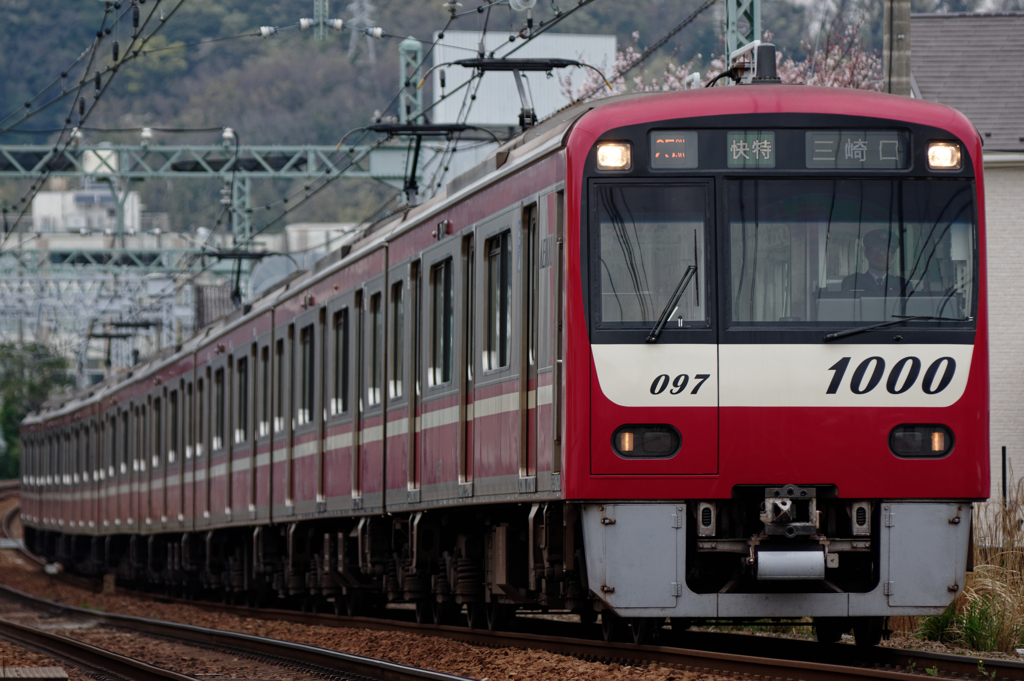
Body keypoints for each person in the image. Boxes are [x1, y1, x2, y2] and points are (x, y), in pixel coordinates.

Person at [841, 229, 912, 296]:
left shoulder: (903, 284)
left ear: (892, 256)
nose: (881, 253)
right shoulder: (853, 282)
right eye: (876, 248)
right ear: (867, 253)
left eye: (886, 249)